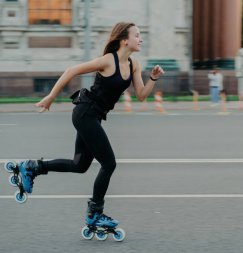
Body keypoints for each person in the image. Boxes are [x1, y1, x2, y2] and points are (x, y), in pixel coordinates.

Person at [16, 22, 165, 228]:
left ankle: (32, 167)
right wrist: (51, 97)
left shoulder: (134, 64)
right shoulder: (107, 61)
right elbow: (71, 70)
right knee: (109, 163)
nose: (140, 39)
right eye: (137, 35)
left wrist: (153, 79)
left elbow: (141, 96)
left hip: (93, 116)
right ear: (124, 40)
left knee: (80, 165)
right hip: (85, 113)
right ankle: (95, 213)